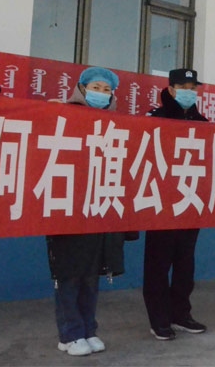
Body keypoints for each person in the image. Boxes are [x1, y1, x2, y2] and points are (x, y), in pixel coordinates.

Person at [46, 66, 127, 357]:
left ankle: (88, 330)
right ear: (82, 89)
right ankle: (69, 334)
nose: (101, 94)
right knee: (69, 274)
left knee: (92, 275)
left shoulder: (117, 123)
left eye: (107, 90)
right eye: (95, 88)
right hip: (67, 208)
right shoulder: (63, 113)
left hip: (98, 208)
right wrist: (50, 113)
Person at [144, 69, 208, 340]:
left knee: (185, 264)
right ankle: (159, 319)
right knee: (158, 265)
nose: (189, 92)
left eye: (193, 88)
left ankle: (181, 314)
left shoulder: (202, 122)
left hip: (190, 203)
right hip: (161, 203)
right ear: (171, 89)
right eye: (183, 87)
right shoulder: (155, 118)